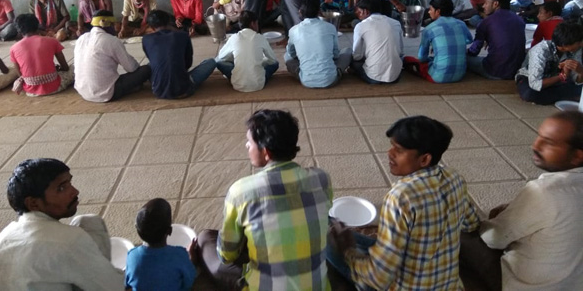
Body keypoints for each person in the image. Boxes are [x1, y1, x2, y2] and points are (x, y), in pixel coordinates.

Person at [327, 116, 480, 290]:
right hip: (450, 286)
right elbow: (472, 223)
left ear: (424, 159)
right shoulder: (454, 178)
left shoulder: (401, 197)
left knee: (323, 237)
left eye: (399, 150)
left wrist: (347, 252)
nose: (390, 153)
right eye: (392, 146)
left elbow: (378, 279)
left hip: (400, 286)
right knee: (339, 230)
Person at [196, 110, 332, 291]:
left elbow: (226, 255)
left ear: (266, 152)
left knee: (206, 238)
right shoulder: (322, 178)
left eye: (250, 142)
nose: (246, 145)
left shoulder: (241, 191)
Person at [461, 112, 583, 290]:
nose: (535, 145)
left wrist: (497, 218)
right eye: (539, 136)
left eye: (549, 142)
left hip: (530, 285)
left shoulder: (545, 192)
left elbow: (493, 239)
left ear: (577, 156)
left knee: (461, 230)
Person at [0, 158, 123, 290]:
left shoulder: (2, 238)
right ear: (33, 203)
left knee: (86, 223)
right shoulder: (69, 240)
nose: (75, 191)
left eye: (70, 183)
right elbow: (114, 288)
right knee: (91, 224)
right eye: (61, 188)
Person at [74, 10, 151, 102]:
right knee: (147, 69)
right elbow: (132, 68)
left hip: (83, 91)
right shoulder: (111, 40)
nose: (115, 28)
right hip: (105, 93)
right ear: (107, 24)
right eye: (113, 24)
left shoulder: (81, 38)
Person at [125, 198, 196, 291]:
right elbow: (189, 281)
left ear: (137, 230)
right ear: (170, 231)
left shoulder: (132, 256)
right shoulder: (180, 254)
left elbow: (127, 283)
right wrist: (191, 259)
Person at [142, 10, 215, 99]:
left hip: (158, 91)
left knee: (151, 65)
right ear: (169, 22)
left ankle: (164, 81)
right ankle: (182, 81)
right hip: (184, 89)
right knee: (211, 62)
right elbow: (188, 63)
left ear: (151, 28)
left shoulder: (146, 39)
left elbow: (151, 58)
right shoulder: (183, 35)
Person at [285, 0, 352, 88]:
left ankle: (304, 72)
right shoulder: (330, 27)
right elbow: (336, 55)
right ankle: (334, 72)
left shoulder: (293, 30)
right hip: (330, 80)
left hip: (306, 81)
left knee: (286, 55)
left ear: (300, 11)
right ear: (319, 12)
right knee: (348, 51)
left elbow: (292, 54)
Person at [404, 0, 473, 83]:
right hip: (460, 75)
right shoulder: (461, 24)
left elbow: (422, 58)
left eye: (430, 9)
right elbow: (469, 40)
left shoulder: (429, 29)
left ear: (438, 11)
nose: (429, 12)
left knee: (407, 59)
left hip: (438, 77)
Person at [516, 22, 583, 105]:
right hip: (530, 78)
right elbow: (535, 84)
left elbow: (576, 80)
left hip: (556, 81)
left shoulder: (576, 50)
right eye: (579, 42)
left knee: (580, 89)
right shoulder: (540, 51)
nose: (581, 44)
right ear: (564, 45)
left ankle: (560, 96)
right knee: (530, 94)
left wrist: (581, 71)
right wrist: (562, 76)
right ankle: (566, 96)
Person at [467, 0, 526, 79]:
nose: (483, 6)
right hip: (516, 70)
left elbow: (474, 51)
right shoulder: (519, 19)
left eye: (486, 3)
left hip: (495, 71)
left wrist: (466, 52)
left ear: (495, 4)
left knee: (464, 58)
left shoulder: (486, 22)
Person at [10, 14, 74, 97]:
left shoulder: (13, 48)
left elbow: (20, 74)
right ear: (37, 26)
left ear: (19, 30)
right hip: (54, 87)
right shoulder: (52, 41)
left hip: (30, 90)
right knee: (74, 67)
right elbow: (65, 68)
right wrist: (57, 69)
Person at [215, 10, 279, 92]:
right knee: (275, 64)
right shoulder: (260, 38)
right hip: (258, 84)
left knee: (218, 61)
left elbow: (221, 57)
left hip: (237, 84)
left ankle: (236, 75)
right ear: (252, 24)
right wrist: (260, 61)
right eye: (257, 23)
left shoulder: (234, 37)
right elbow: (273, 60)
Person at [351, 0, 403, 84]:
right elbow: (401, 52)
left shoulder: (360, 26)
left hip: (373, 77)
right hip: (395, 76)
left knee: (352, 60)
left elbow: (357, 56)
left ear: (365, 11)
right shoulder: (396, 23)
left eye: (359, 12)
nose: (358, 15)